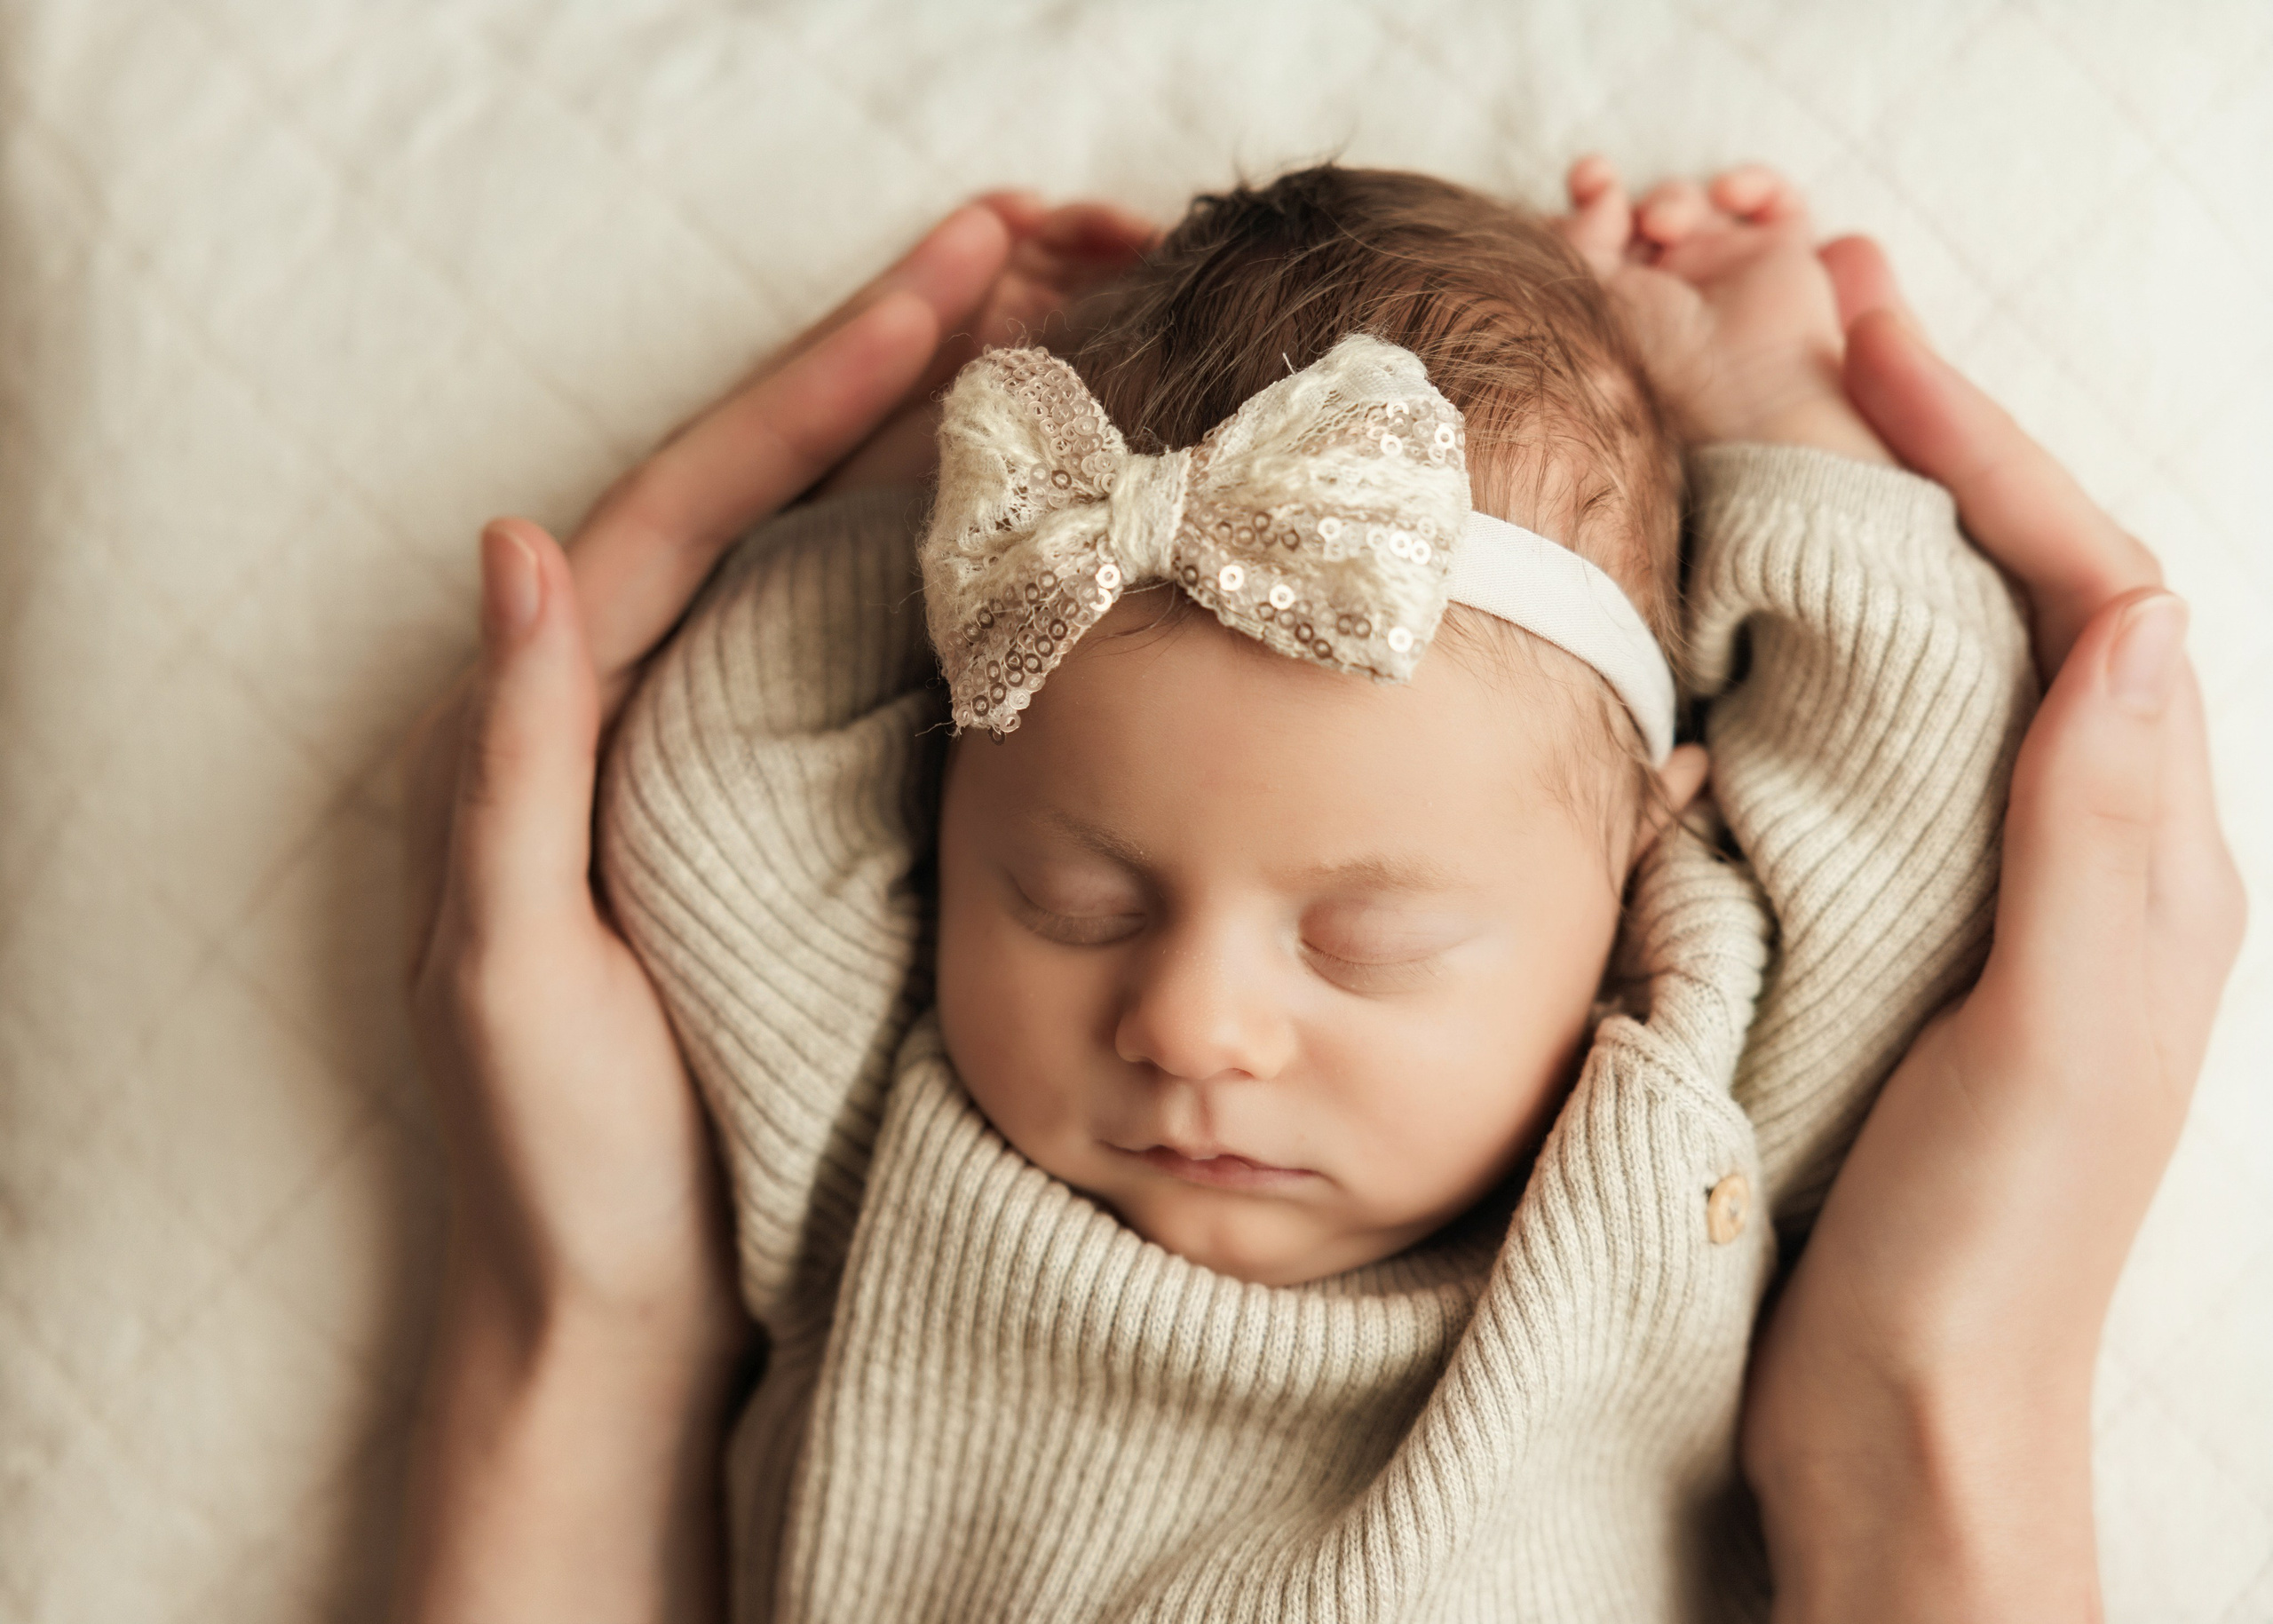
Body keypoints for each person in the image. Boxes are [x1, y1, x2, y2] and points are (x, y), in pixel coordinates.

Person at [387, 171, 2244, 1623]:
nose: (1189, 1023)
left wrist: (1777, 416)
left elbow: (1899, 805)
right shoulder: (874, 1135)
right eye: (1070, 899)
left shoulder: (1657, 1146)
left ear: (1629, 874)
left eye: (1368, 940)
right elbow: (734, 768)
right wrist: (962, 459)